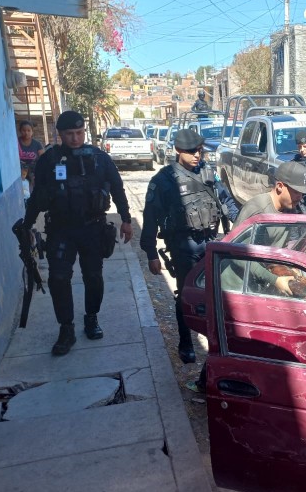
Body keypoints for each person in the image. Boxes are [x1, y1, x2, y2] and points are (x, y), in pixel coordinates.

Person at [188, 161, 306, 393]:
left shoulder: (287, 210)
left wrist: (290, 269)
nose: (300, 198)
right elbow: (237, 254)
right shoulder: (258, 209)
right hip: (234, 285)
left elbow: (273, 252)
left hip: (256, 284)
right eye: (297, 192)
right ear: (280, 186)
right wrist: (275, 280)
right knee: (229, 341)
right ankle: (207, 387)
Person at [21, 110, 133, 356]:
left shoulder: (99, 158)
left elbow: (117, 188)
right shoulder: (49, 160)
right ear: (60, 134)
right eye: (70, 133)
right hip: (61, 229)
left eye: (79, 133)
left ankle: (91, 318)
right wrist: (27, 225)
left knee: (93, 276)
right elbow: (38, 196)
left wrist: (126, 219)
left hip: (93, 228)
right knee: (59, 279)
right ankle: (66, 328)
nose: (75, 138)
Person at [140, 128, 228, 364]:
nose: (197, 155)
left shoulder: (208, 173)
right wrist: (151, 254)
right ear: (178, 150)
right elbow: (150, 219)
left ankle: (215, 340)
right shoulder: (163, 180)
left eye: (199, 150)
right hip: (183, 247)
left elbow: (227, 201)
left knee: (215, 294)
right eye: (191, 151)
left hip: (210, 243)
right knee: (186, 295)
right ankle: (186, 342)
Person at [17, 120, 45, 191]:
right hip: (19, 170)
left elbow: (43, 159)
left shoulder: (37, 144)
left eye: (29, 130)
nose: (26, 133)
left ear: (32, 132)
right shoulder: (16, 142)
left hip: (33, 171)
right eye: (24, 130)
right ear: (20, 131)